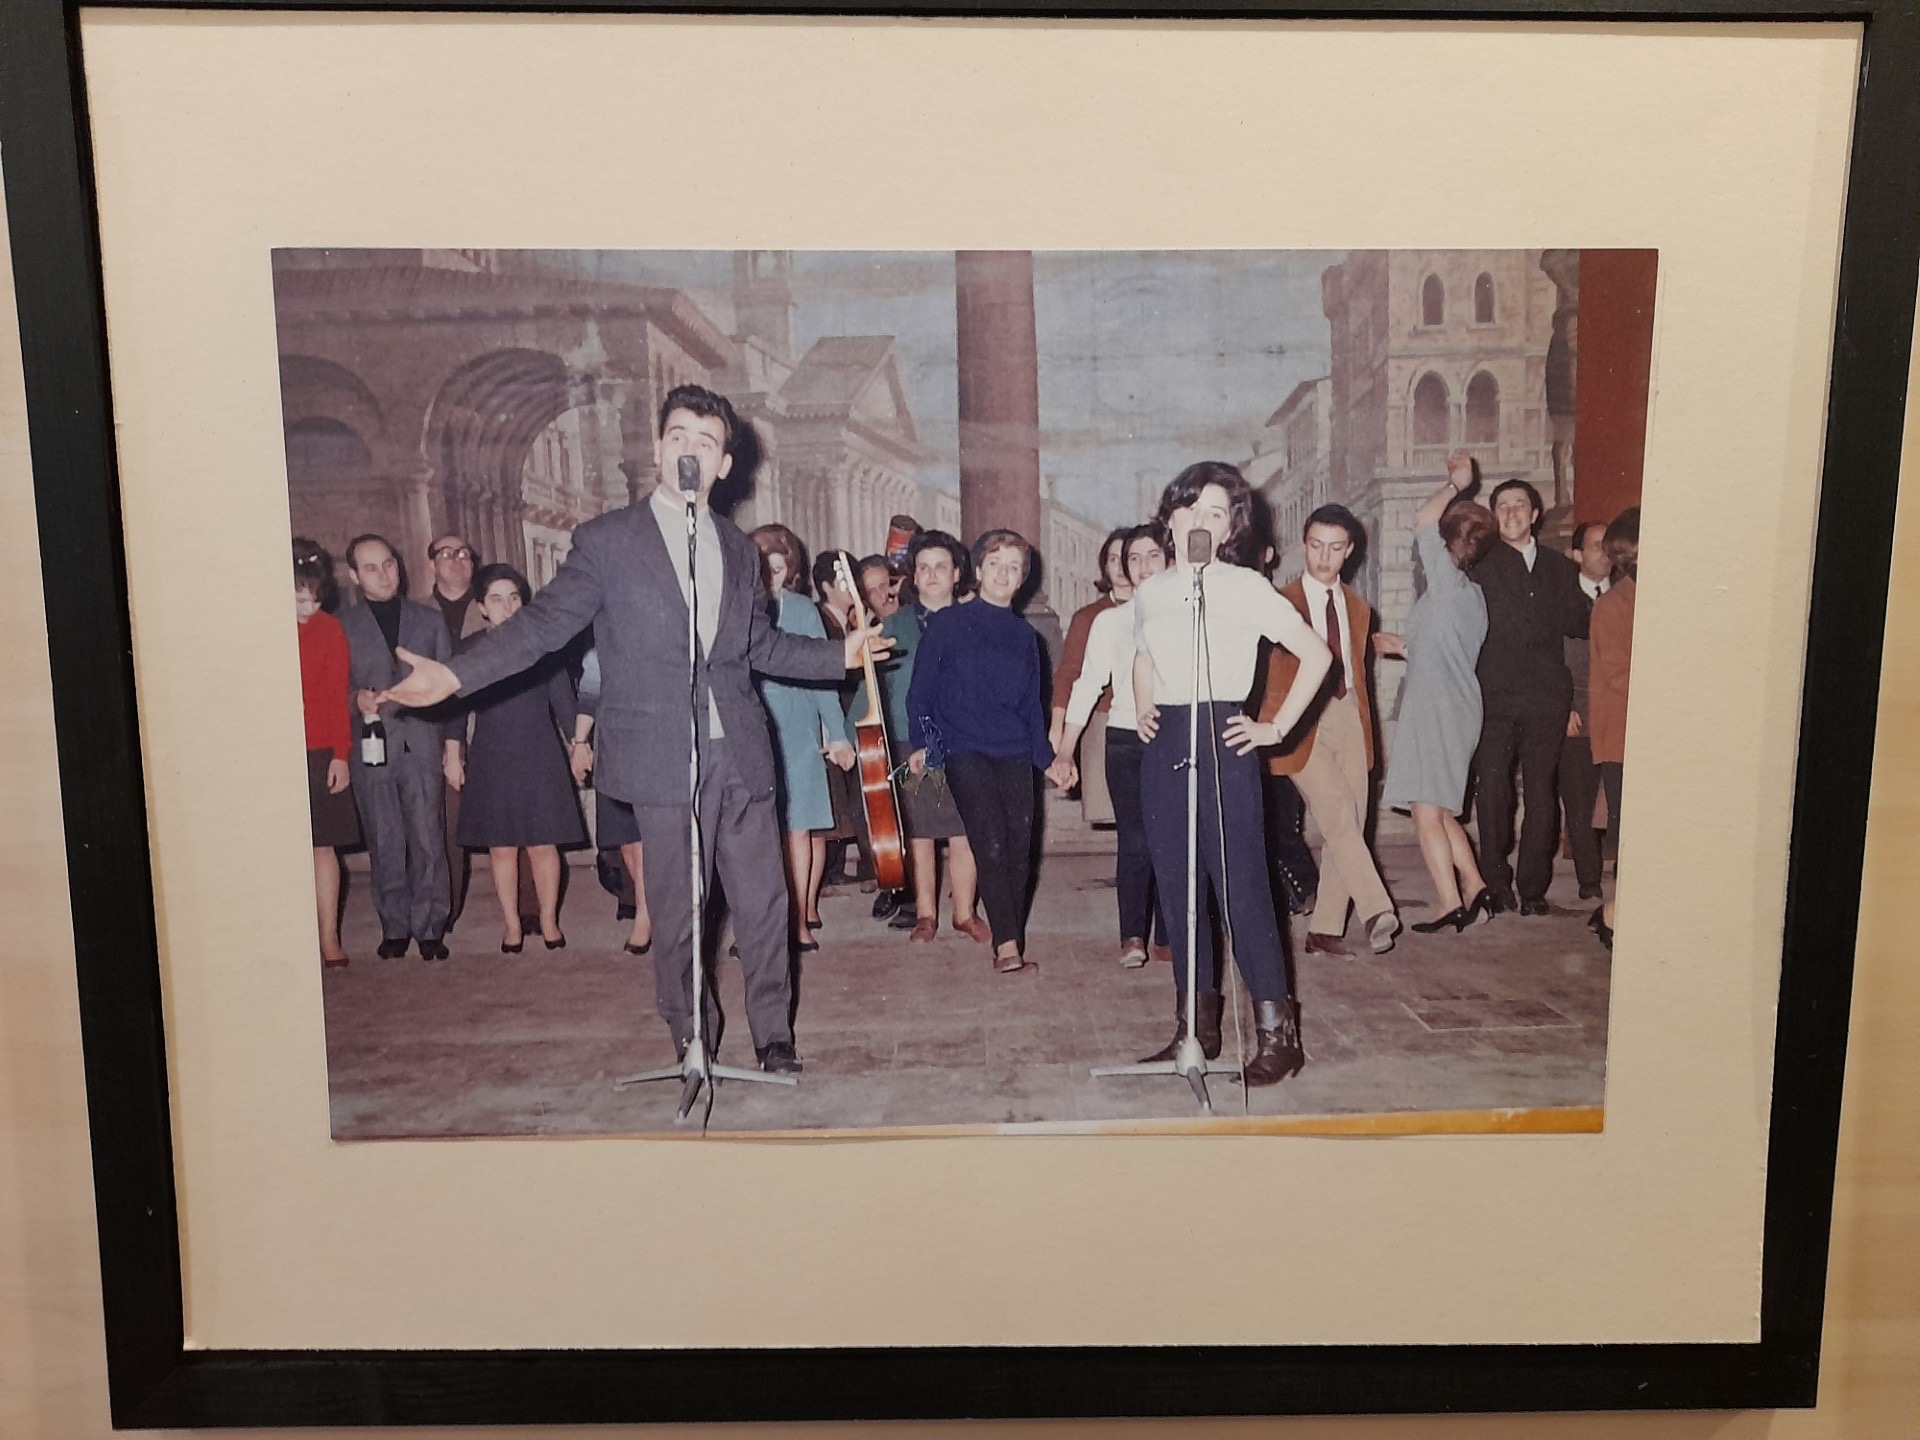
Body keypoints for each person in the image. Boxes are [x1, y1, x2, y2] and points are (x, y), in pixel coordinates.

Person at [377, 385, 886, 1075]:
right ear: (659, 449)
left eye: (705, 442)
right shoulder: (608, 542)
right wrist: (454, 675)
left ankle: (774, 1036)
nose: (690, 451)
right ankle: (691, 1037)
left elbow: (757, 646)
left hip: (741, 753)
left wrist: (839, 655)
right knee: (678, 911)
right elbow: (542, 625)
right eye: (678, 437)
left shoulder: (738, 550)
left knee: (765, 903)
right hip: (660, 756)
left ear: (724, 464)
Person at [1129, 462, 1332, 1085]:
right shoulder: (1152, 591)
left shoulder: (1246, 587)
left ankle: (1277, 1038)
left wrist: (1275, 729)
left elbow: (1317, 655)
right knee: (1178, 892)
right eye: (1191, 508)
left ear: (1229, 529)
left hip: (1224, 738)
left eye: (1216, 513)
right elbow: (1142, 655)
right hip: (1167, 744)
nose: (1200, 520)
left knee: (1242, 889)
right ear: (1170, 519)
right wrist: (1144, 703)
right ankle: (1196, 1030)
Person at [907, 529, 1062, 972]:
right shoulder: (948, 625)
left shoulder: (1026, 638)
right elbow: (920, 694)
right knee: (990, 841)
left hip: (1014, 749)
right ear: (978, 570)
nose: (1003, 574)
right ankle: (1008, 946)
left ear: (1022, 579)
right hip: (964, 746)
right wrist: (924, 743)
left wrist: (1047, 760)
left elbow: (1031, 709)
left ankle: (1010, 931)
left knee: (1019, 847)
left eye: (1013, 567)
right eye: (995, 564)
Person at [1253, 503, 1399, 956]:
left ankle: (1325, 929)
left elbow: (1355, 669)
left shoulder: (1359, 607)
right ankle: (1377, 908)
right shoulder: (1278, 603)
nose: (1324, 556)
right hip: (1298, 722)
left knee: (1351, 821)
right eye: (1316, 545)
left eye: (1335, 548)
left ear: (1349, 551)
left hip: (1348, 713)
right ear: (1303, 545)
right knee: (1337, 811)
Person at [1374, 452, 1502, 931]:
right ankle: (1476, 887)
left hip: (1434, 708)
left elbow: (1422, 517)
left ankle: (1450, 904)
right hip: (1457, 705)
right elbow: (1448, 654)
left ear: (1448, 541)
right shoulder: (1472, 596)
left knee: (1425, 811)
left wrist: (1455, 484)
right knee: (1440, 808)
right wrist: (1405, 648)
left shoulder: (1445, 581)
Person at [1047, 522, 1173, 967]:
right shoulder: (1110, 621)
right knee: (1136, 840)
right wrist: (1066, 749)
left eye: (1152, 556)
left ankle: (1170, 935)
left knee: (1173, 839)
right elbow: (1085, 685)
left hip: (1175, 737)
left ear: (1170, 559)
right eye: (1133, 558)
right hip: (1124, 739)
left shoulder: (1190, 615)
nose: (1142, 566)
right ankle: (1132, 936)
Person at [449, 563, 588, 952]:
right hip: (492, 756)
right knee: (501, 847)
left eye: (514, 598)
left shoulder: (543, 646)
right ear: (481, 607)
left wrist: (577, 746)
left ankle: (548, 920)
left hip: (540, 753)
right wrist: (453, 753)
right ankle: (511, 925)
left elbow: (564, 701)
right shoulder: (470, 650)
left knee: (544, 844)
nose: (507, 607)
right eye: (496, 599)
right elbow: (454, 708)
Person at [1469, 476, 1590, 914]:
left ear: (1534, 514)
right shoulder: (1478, 568)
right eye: (1502, 506)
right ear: (1493, 516)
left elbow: (1578, 624)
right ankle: (1496, 883)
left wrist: (1590, 583)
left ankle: (1533, 890)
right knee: (1493, 790)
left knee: (1541, 792)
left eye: (1519, 504)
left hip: (1545, 698)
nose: (1511, 513)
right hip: (1493, 698)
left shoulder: (1561, 568)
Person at [339, 533, 460, 961]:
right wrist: (355, 700)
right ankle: (394, 925)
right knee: (384, 838)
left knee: (428, 837)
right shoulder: (342, 626)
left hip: (421, 742)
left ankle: (430, 927)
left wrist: (452, 746)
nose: (384, 574)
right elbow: (331, 688)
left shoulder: (429, 621)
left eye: (388, 563)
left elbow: (452, 689)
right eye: (371, 567)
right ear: (355, 576)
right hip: (371, 746)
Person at [752, 524, 857, 952]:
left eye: (778, 570)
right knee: (755, 836)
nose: (770, 578)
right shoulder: (733, 608)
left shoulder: (802, 611)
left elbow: (822, 678)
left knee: (797, 830)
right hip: (750, 728)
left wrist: (838, 735)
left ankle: (798, 920)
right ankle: (759, 926)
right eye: (763, 569)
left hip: (796, 731)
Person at [881, 530, 987, 943]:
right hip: (911, 741)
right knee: (920, 831)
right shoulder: (894, 625)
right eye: (923, 567)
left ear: (957, 573)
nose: (931, 574)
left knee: (964, 829)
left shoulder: (975, 622)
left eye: (940, 566)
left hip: (964, 740)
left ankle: (965, 913)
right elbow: (873, 685)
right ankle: (925, 915)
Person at [293, 539, 359, 968]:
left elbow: (338, 698)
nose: (309, 608)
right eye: (300, 599)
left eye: (315, 600)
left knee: (323, 848)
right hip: (272, 752)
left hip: (319, 751)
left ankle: (329, 938)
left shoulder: (330, 630)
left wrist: (341, 755)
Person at [570, 645, 652, 955]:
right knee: (627, 840)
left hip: (653, 745)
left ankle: (646, 915)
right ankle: (645, 909)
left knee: (646, 842)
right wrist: (580, 743)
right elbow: (589, 696)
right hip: (613, 749)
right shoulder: (599, 650)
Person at [1050, 528, 1133, 827]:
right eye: (1113, 559)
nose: (1120, 567)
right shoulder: (1089, 616)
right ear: (1104, 567)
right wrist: (1058, 730)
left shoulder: (1158, 610)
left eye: (1127, 558)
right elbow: (1069, 676)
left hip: (1147, 720)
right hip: (1101, 720)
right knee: (1115, 816)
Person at [813, 549, 876, 893]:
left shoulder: (846, 622)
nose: (852, 588)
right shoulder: (821, 621)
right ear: (826, 586)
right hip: (835, 720)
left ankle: (837, 869)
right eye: (843, 581)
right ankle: (828, 872)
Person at [1561, 519, 1614, 900]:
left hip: (1617, 716)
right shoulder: (1560, 601)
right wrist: (1564, 706)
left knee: (1620, 799)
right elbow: (1552, 661)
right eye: (1596, 545)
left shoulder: (1628, 598)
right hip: (1578, 716)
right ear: (1577, 555)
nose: (1605, 552)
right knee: (1579, 801)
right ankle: (1589, 880)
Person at [1589, 507, 1638, 876]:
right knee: (1630, 837)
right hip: (1624, 733)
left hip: (1653, 730)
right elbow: (1617, 674)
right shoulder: (1612, 606)